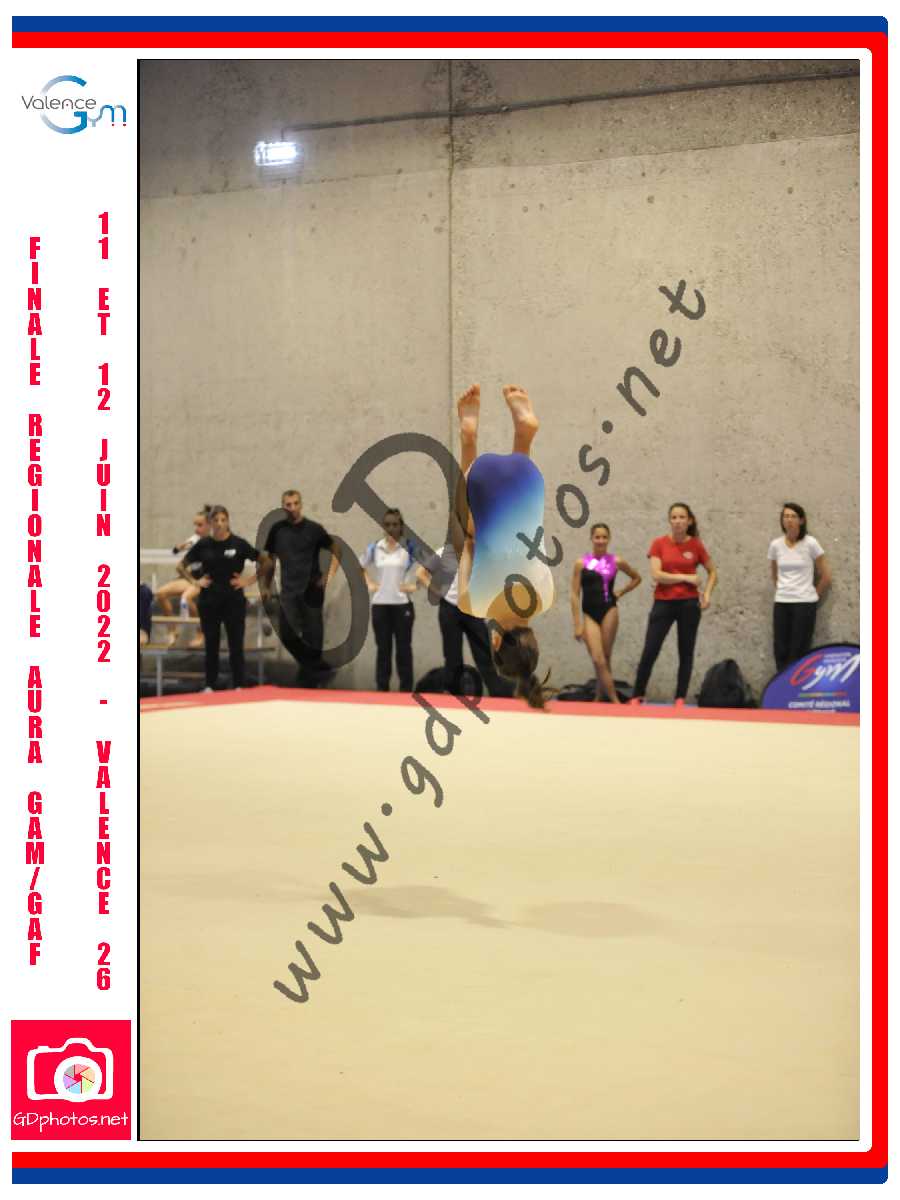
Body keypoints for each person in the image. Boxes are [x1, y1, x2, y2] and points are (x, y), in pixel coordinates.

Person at [451, 383, 555, 709]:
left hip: (528, 477)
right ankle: (468, 436)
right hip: (481, 476)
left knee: (517, 519)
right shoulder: (473, 605)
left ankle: (523, 436)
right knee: (467, 526)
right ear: (495, 642)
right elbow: (467, 548)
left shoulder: (547, 598)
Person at [631, 502, 718, 706]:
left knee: (686, 651)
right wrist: (687, 578)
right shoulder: (659, 544)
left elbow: (713, 572)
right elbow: (657, 574)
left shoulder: (696, 545)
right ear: (669, 521)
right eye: (674, 517)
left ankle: (680, 697)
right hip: (663, 603)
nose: (678, 521)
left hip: (689, 605)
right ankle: (637, 695)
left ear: (689, 521)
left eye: (682, 517)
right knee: (650, 649)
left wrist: (707, 594)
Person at [258, 489, 342, 688]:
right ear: (283, 506)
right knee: (287, 634)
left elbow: (336, 549)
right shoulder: (277, 530)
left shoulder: (314, 529)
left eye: (296, 503)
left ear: (301, 505)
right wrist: (266, 586)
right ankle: (319, 669)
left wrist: (328, 576)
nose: (293, 508)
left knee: (313, 639)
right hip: (289, 591)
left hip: (312, 590)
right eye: (288, 504)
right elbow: (270, 561)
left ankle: (308, 682)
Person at [415, 542, 514, 698]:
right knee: (452, 657)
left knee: (484, 653)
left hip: (471, 609)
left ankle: (498, 693)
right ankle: (454, 695)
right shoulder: (444, 552)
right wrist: (438, 591)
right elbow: (420, 573)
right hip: (449, 609)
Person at [178, 505, 261, 691]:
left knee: (236, 644)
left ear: (228, 521)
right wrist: (195, 581)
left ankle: (238, 684)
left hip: (233, 600)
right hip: (209, 600)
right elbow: (181, 566)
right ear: (210, 523)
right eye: (215, 520)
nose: (219, 524)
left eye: (223, 520)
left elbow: (265, 562)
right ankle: (210, 684)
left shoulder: (238, 544)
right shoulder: (203, 544)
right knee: (211, 644)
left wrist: (247, 581)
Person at [570, 523, 641, 702]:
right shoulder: (581, 563)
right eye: (597, 537)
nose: (601, 540)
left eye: (604, 537)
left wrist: (621, 592)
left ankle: (599, 696)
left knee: (606, 657)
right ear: (591, 538)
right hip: (589, 614)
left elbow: (636, 578)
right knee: (598, 658)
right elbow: (574, 594)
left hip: (609, 610)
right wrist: (577, 624)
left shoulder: (616, 561)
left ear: (609, 539)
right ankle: (615, 700)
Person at [768, 501, 832, 672]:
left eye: (793, 516)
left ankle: (797, 685)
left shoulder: (811, 543)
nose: (789, 520)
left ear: (801, 520)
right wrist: (783, 591)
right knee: (780, 649)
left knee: (799, 650)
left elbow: (826, 576)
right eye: (785, 516)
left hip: (804, 604)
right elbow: (774, 575)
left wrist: (813, 596)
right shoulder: (775, 545)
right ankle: (782, 684)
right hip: (782, 602)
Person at [359, 508, 418, 691]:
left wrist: (415, 585)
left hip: (402, 605)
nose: (391, 528)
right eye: (387, 525)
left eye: (395, 524)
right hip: (380, 605)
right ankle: (382, 689)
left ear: (401, 526)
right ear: (383, 526)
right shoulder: (375, 548)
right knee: (383, 649)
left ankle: (406, 689)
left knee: (404, 649)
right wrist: (370, 583)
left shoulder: (409, 547)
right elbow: (358, 566)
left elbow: (431, 565)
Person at [155, 506, 211, 647]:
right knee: (160, 594)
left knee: (186, 599)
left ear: (209, 525)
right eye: (195, 525)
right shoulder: (194, 539)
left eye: (200, 525)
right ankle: (172, 630)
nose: (196, 528)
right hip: (193, 577)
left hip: (207, 579)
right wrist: (178, 548)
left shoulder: (214, 542)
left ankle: (201, 633)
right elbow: (180, 551)